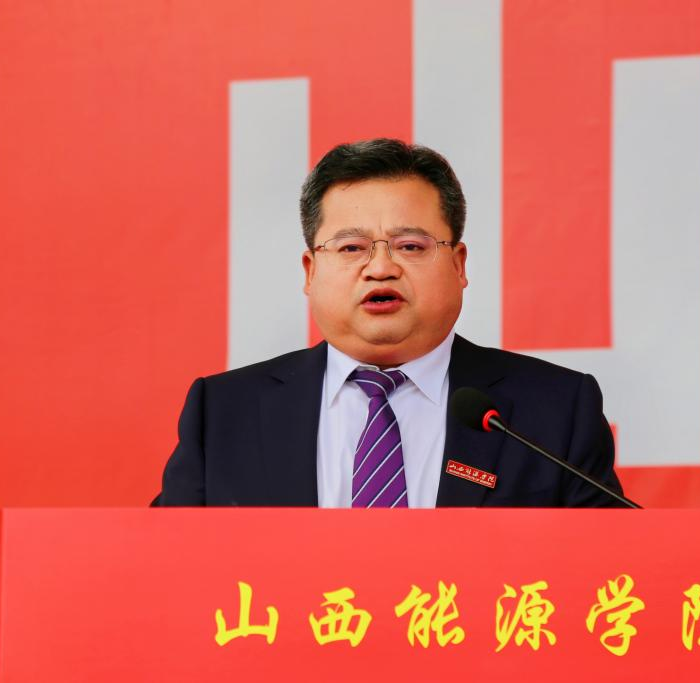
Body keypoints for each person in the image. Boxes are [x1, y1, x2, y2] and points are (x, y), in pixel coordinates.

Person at [157, 138, 624, 507]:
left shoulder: (553, 413)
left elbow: (607, 567)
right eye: (351, 248)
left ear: (459, 265)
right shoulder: (223, 414)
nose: (380, 268)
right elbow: (165, 566)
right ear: (310, 271)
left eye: (411, 246)